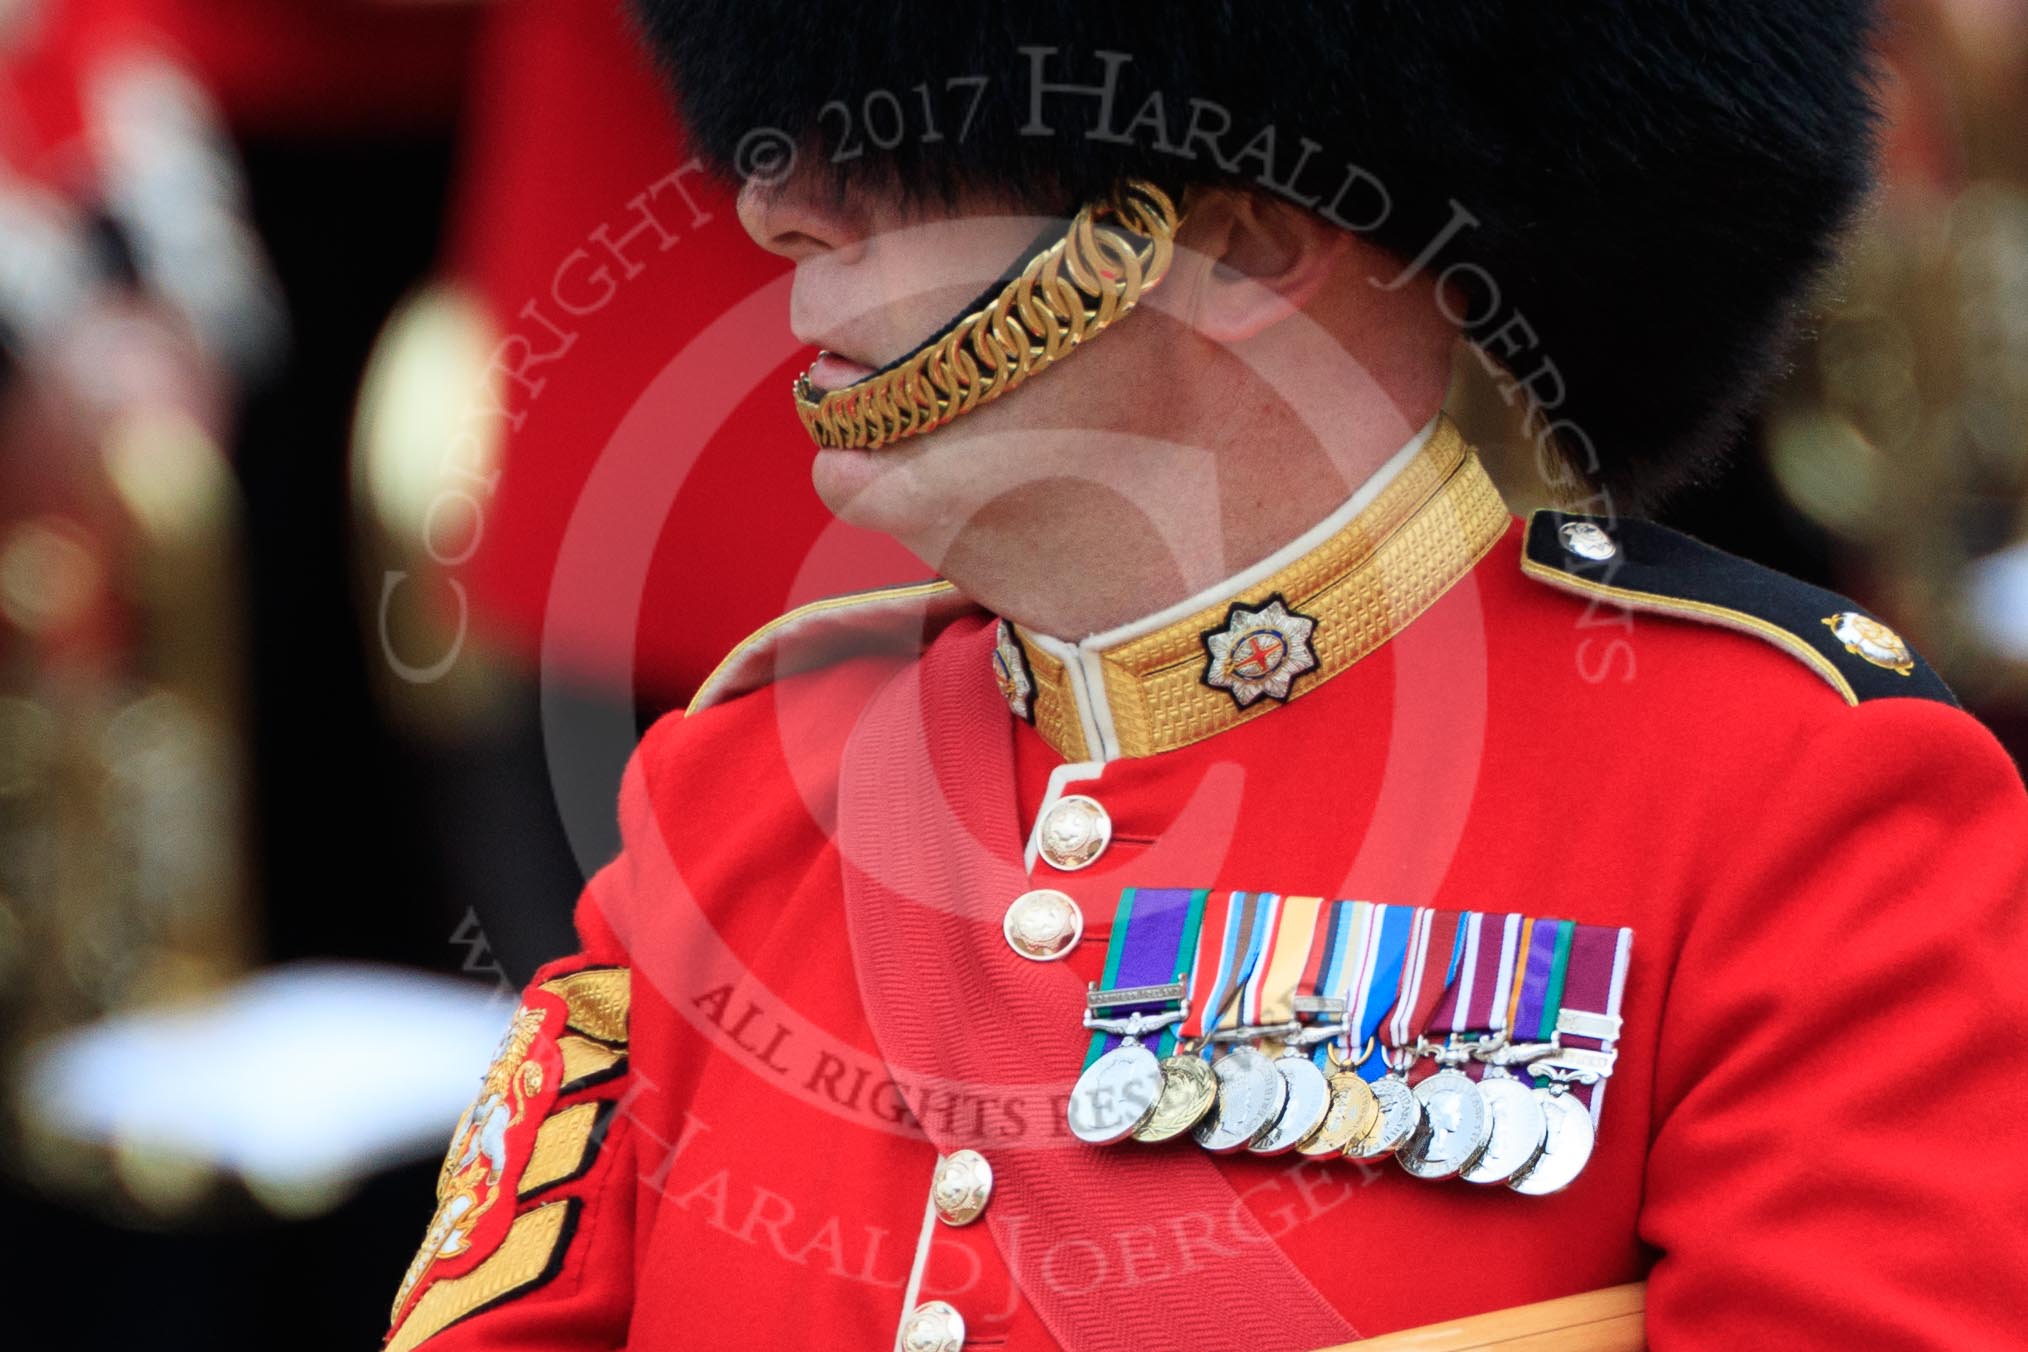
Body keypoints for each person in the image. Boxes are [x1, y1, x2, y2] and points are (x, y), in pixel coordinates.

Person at [381, 5, 2028, 1349]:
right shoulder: (730, 798)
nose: (778, 202)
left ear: (1235, 246)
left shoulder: (1783, 797)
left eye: (898, 139)